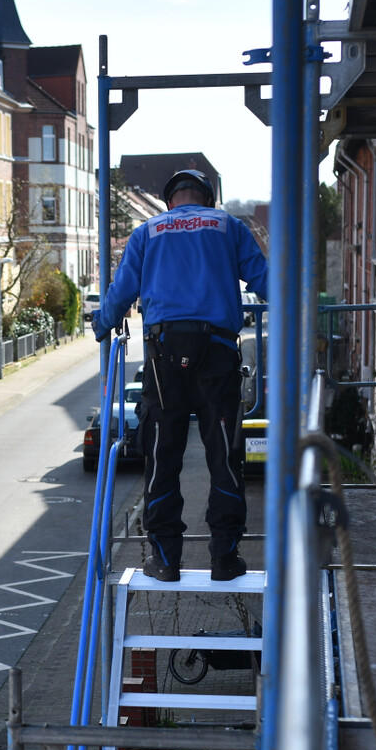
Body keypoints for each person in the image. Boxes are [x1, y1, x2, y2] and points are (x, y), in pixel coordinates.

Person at [92, 169, 268, 582]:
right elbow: (265, 280)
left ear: (171, 199)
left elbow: (121, 292)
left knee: (161, 456)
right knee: (224, 456)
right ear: (207, 198)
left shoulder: (148, 231)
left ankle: (166, 559)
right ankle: (225, 557)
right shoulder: (229, 226)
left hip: (163, 357)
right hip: (218, 354)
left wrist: (103, 323)